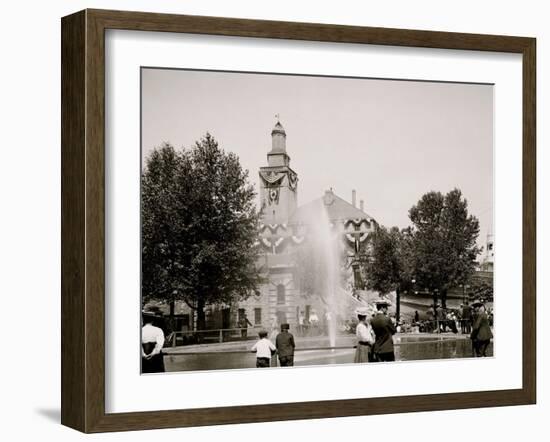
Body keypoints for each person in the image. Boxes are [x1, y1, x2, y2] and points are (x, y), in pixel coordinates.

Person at [141, 309, 166, 373]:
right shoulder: (158, 330)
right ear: (152, 320)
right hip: (156, 358)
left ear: (143, 320)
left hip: (143, 358)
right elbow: (159, 344)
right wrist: (153, 353)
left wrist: (143, 354)